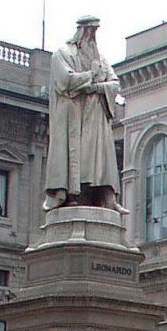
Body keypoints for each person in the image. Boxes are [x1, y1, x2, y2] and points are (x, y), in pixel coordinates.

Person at [43, 16, 126, 213]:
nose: (92, 36)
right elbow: (65, 81)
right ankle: (69, 195)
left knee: (99, 160)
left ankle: (106, 197)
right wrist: (90, 75)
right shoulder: (62, 54)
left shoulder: (101, 60)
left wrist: (96, 87)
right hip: (72, 119)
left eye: (95, 31)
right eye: (89, 30)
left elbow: (115, 84)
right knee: (74, 157)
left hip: (95, 118)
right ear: (80, 31)